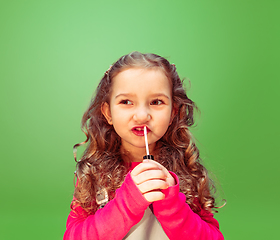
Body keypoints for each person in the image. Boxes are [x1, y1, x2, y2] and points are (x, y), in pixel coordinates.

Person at [63, 52, 224, 240]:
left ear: (173, 112)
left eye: (156, 102)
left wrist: (172, 204)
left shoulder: (188, 172)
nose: (141, 115)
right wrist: (128, 202)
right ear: (108, 113)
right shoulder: (94, 174)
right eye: (126, 102)